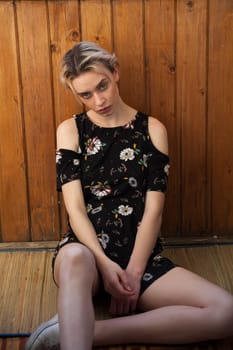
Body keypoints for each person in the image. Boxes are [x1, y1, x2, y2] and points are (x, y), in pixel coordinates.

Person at [25, 41, 233, 350]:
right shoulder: (71, 130)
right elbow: (76, 210)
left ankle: (76, 331)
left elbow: (153, 211)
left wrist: (134, 274)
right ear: (75, 94)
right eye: (85, 95)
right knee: (74, 259)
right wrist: (105, 265)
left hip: (141, 255)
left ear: (115, 72)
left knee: (226, 313)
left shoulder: (153, 129)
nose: (98, 100)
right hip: (87, 252)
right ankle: (75, 332)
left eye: (102, 86)